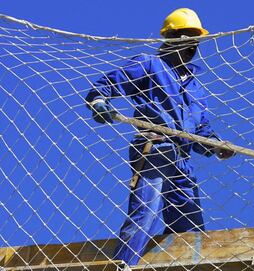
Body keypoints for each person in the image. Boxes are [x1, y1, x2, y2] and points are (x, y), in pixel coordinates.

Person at [85, 8, 235, 266]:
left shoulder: (195, 87)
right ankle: (124, 264)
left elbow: (200, 130)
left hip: (182, 158)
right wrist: (99, 101)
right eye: (186, 37)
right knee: (147, 210)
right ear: (171, 37)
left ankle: (183, 265)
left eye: (195, 38)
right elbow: (107, 85)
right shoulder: (149, 64)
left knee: (190, 225)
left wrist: (215, 146)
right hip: (155, 147)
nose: (192, 44)